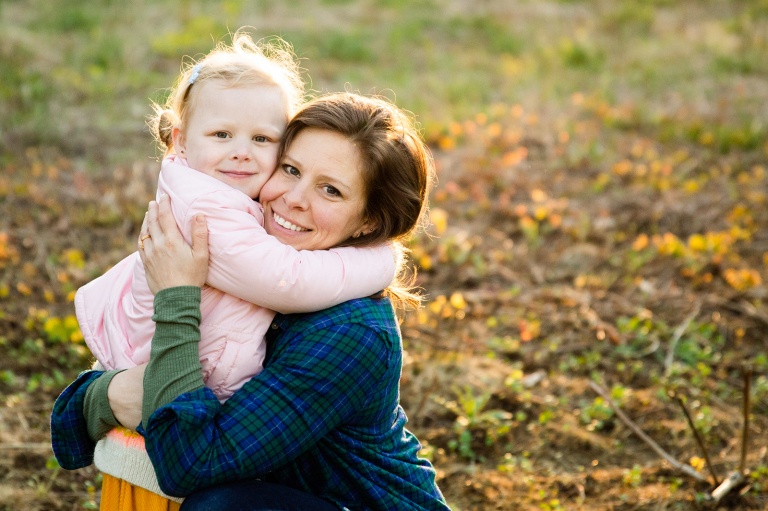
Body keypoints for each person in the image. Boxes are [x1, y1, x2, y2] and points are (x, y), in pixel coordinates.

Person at [52, 93, 451, 511]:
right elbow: (68, 424)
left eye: (330, 190)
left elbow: (190, 466)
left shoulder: (350, 333)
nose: (294, 198)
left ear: (369, 220)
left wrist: (176, 299)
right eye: (290, 169)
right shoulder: (250, 270)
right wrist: (111, 393)